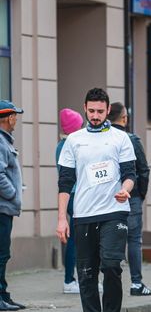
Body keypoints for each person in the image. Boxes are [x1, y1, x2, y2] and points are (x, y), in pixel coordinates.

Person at [57, 88, 136, 312]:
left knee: (112, 265)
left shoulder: (120, 138)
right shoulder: (74, 140)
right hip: (84, 214)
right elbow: (65, 182)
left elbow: (130, 173)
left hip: (114, 210)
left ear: (107, 110)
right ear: (85, 108)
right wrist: (62, 218)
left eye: (100, 111)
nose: (95, 115)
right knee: (86, 272)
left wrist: (125, 189)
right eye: (91, 111)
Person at [108, 102, 151, 296]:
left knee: (110, 240)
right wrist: (140, 194)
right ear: (124, 118)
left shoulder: (104, 139)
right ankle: (136, 283)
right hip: (131, 197)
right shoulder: (132, 140)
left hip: (108, 197)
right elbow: (144, 169)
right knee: (134, 239)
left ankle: (110, 283)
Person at [0, 100, 25, 311]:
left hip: (4, 207)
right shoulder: (0, 141)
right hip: (2, 207)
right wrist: (13, 193)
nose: (16, 119)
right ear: (9, 118)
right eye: (15, 116)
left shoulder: (5, 140)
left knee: (3, 253)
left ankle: (3, 295)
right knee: (1, 254)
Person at [55, 108, 83, 294]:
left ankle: (75, 279)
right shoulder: (70, 146)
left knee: (76, 238)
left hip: (72, 196)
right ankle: (70, 280)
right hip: (75, 196)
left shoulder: (61, 145)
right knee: (75, 239)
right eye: (80, 126)